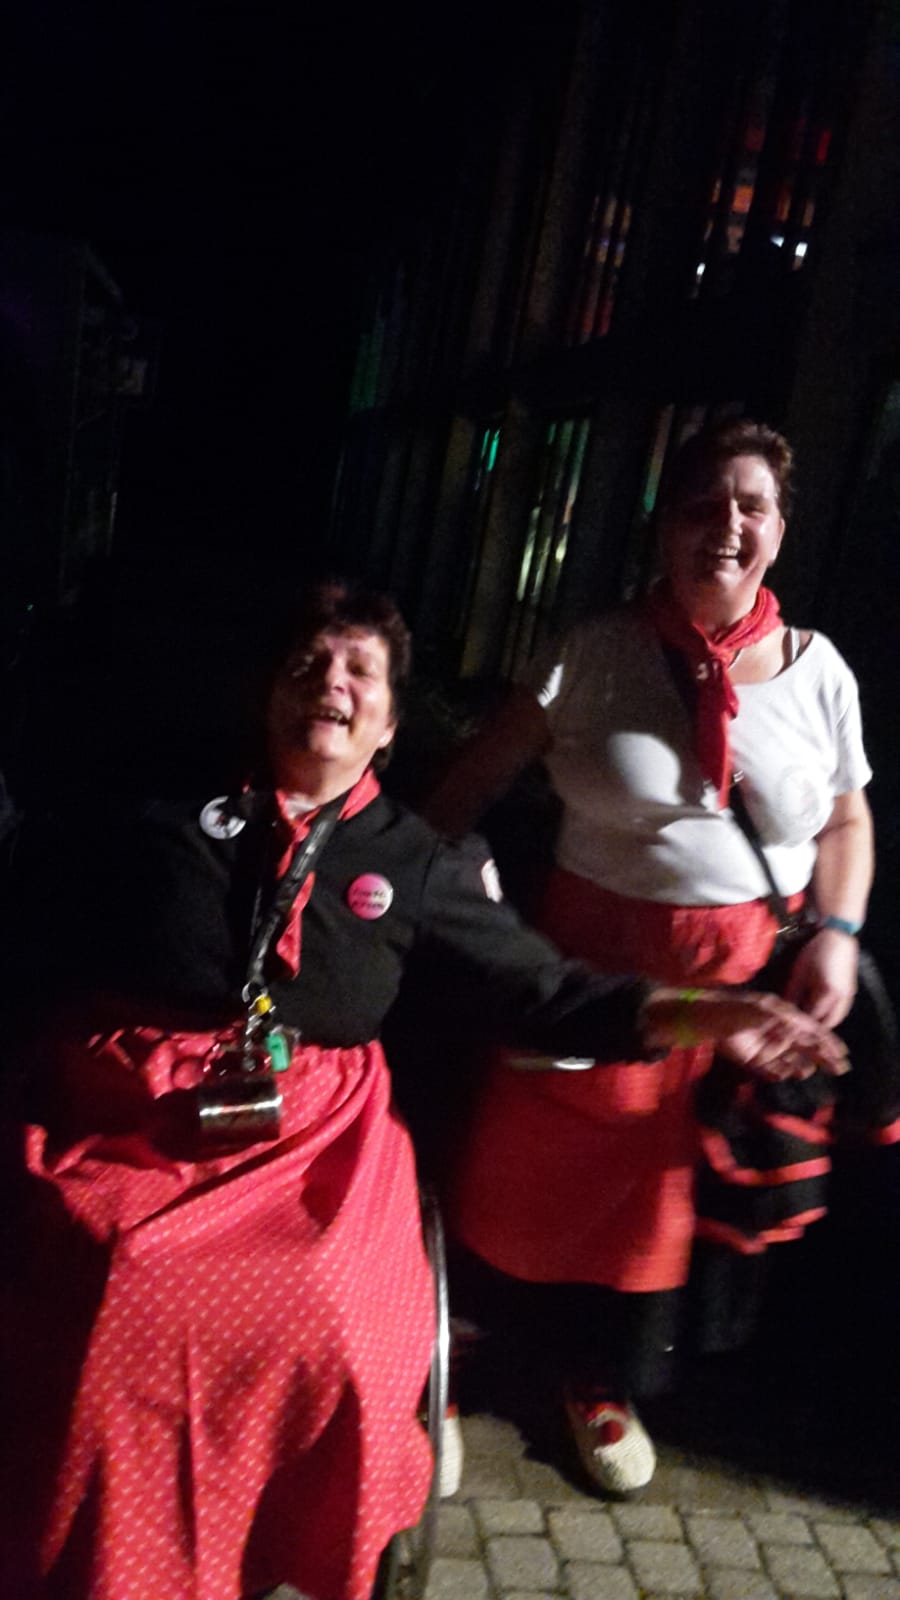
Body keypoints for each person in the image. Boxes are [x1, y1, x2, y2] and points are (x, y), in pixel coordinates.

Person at [0, 578, 849, 1600]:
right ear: (269, 694)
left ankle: (273, 1547)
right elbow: (36, 902)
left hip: (311, 1140)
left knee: (344, 1333)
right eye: (310, 664)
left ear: (391, 724)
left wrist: (709, 1012)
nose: (333, 683)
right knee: (109, 1299)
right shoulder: (160, 811)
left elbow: (548, 992)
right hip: (135, 1114)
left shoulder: (412, 859)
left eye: (360, 670)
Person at [425, 418, 875, 1496]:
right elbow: (470, 781)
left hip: (737, 992)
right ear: (666, 525)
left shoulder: (820, 672)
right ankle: (447, 1367)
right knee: (513, 1173)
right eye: (703, 504)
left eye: (752, 505)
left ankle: (599, 1377)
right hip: (586, 975)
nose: (727, 525)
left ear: (781, 528)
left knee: (655, 1203)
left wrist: (840, 936)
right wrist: (441, 883)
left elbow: (847, 822)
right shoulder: (593, 650)